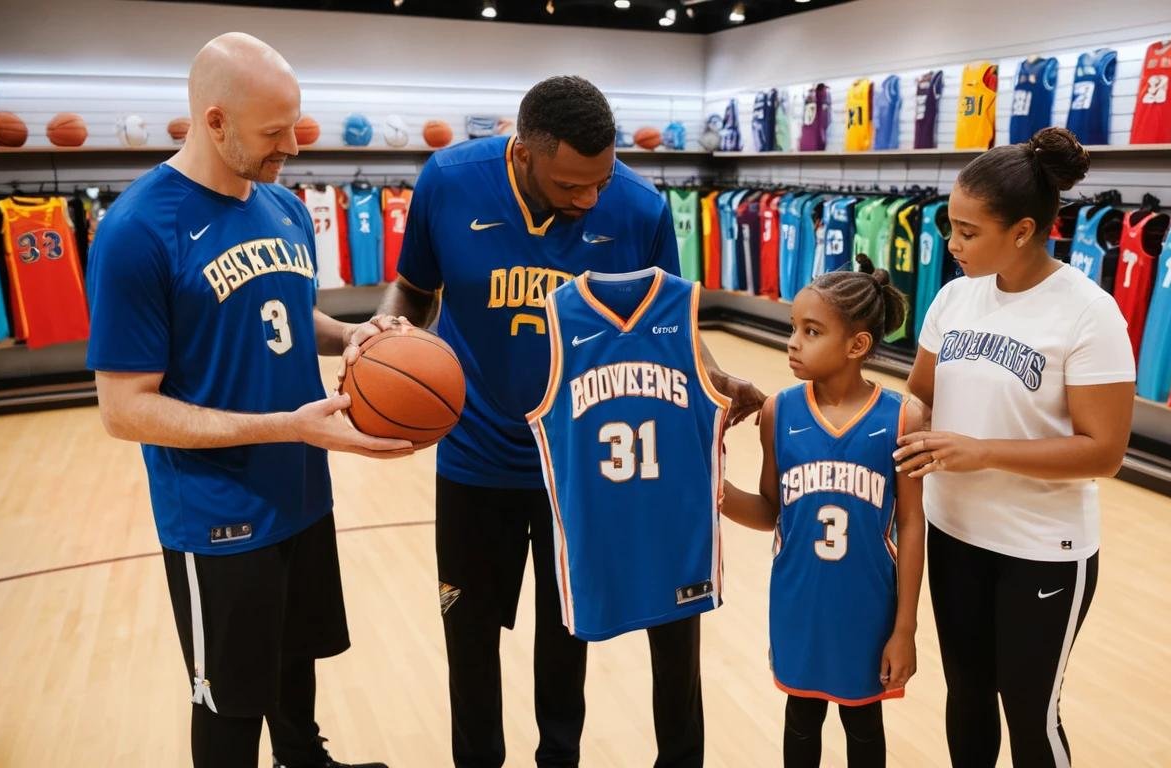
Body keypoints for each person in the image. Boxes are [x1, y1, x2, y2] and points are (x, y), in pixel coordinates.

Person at [349, 75, 763, 767]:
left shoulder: (636, 208)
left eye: (599, 180)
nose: (589, 198)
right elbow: (415, 290)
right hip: (475, 451)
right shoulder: (449, 182)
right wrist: (388, 330)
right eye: (571, 184)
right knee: (470, 634)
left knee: (566, 630)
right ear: (523, 154)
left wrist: (713, 375)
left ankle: (558, 759)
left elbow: (671, 325)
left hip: (576, 459)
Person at [86, 32, 408, 768]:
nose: (292, 145)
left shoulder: (283, 207)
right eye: (274, 131)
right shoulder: (137, 231)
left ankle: (307, 759)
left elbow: (289, 315)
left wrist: (356, 338)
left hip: (301, 493)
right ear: (215, 121)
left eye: (295, 123)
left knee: (297, 664)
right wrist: (286, 428)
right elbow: (124, 408)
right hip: (217, 516)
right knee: (231, 703)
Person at [894, 126, 1135, 767]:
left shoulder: (1089, 312)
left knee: (1031, 714)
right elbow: (920, 391)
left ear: (1023, 231)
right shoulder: (952, 298)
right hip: (954, 534)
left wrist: (985, 450)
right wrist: (898, 424)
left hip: (1042, 548)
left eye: (969, 232)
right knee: (966, 699)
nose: (953, 244)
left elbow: (1104, 451)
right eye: (951, 226)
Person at [722, 256, 925, 767]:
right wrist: (712, 490)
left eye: (811, 331)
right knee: (800, 717)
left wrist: (906, 629)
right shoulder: (778, 411)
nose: (793, 341)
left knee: (863, 722)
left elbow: (911, 523)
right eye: (794, 327)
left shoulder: (902, 416)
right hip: (798, 598)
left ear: (858, 345)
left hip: (867, 604)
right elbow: (770, 511)